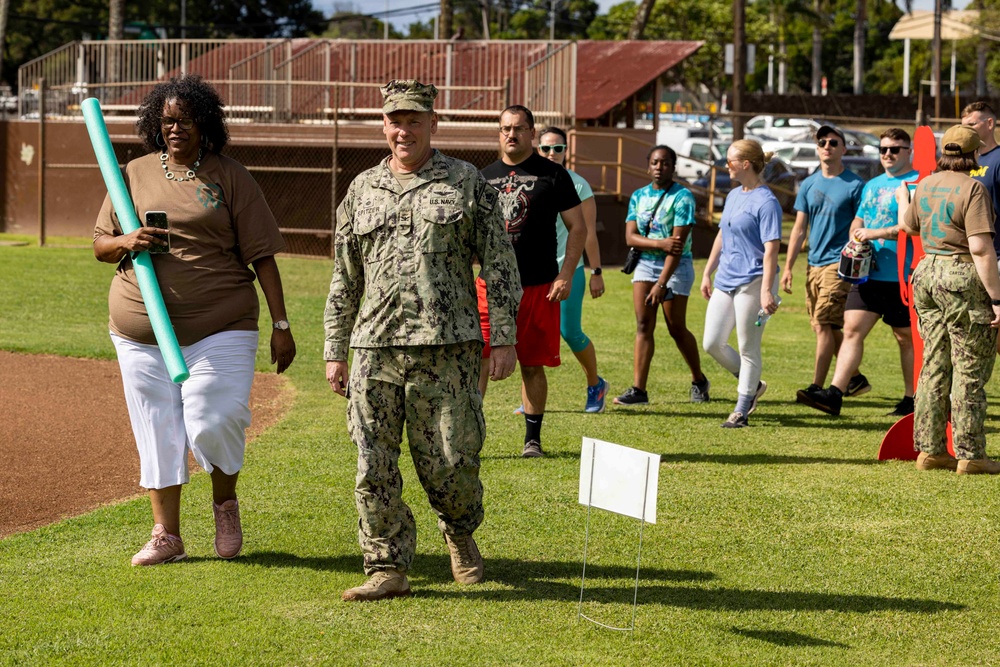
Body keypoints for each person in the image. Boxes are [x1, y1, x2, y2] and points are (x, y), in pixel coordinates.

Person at [324, 80, 521, 601]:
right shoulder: (361, 189)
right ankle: (385, 565)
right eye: (395, 120)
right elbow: (344, 277)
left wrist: (501, 337)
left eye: (414, 120)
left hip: (448, 349)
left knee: (453, 462)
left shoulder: (466, 183)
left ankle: (459, 530)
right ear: (384, 125)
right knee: (372, 461)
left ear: (433, 124)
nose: (403, 129)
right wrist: (334, 348)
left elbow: (499, 262)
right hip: (375, 348)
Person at [93, 75, 296, 566]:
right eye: (166, 120)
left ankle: (224, 504)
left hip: (220, 325)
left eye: (185, 120)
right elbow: (101, 244)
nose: (175, 128)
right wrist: (127, 242)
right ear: (154, 125)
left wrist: (281, 324)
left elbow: (263, 255)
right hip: (140, 331)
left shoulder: (229, 176)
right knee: (157, 428)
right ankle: (167, 535)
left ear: (205, 123)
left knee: (212, 418)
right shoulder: (132, 173)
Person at [479, 105, 587, 458]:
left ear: (532, 134)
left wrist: (566, 273)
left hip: (538, 284)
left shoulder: (554, 175)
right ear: (499, 132)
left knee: (532, 363)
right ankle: (470, 437)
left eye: (519, 128)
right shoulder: (482, 177)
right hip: (489, 287)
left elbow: (578, 228)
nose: (512, 134)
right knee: (476, 360)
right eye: (506, 128)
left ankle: (532, 440)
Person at [899, 124, 1000, 474]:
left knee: (934, 364)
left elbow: (909, 226)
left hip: (927, 274)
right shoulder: (973, 188)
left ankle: (930, 451)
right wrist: (997, 299)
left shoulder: (926, 183)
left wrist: (904, 201)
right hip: (962, 276)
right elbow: (980, 248)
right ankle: (971, 454)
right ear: (974, 155)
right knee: (970, 367)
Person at [798, 128, 918, 417]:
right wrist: (855, 235)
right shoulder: (873, 185)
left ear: (908, 151)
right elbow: (859, 219)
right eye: (883, 149)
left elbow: (910, 228)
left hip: (901, 276)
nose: (888, 154)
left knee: (905, 338)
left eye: (895, 149)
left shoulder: (917, 184)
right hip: (868, 275)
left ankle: (912, 398)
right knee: (851, 330)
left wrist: (872, 233)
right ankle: (835, 394)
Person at [501, 127, 609, 413]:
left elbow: (587, 233)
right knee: (527, 338)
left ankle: (595, 383)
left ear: (566, 151)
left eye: (558, 149)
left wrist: (596, 271)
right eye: (546, 148)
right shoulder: (530, 179)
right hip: (535, 275)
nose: (552, 154)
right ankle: (530, 403)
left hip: (567, 271)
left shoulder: (579, 184)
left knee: (570, 332)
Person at [614, 145, 709, 406]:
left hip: (675, 267)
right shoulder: (638, 196)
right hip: (645, 263)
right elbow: (629, 237)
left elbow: (676, 247)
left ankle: (699, 380)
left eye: (665, 163)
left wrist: (661, 283)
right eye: (655, 162)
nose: (660, 167)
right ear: (648, 166)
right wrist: (659, 244)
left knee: (676, 327)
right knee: (644, 325)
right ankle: (639, 391)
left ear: (673, 167)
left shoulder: (683, 197)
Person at [781, 126, 866, 404]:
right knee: (823, 327)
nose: (826, 146)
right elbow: (799, 229)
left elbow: (862, 223)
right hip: (813, 264)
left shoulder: (855, 185)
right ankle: (854, 377)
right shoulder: (808, 184)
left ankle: (817, 387)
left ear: (843, 149)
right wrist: (788, 267)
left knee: (824, 324)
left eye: (833, 142)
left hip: (839, 265)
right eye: (822, 142)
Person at [700, 139, 782, 428]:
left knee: (748, 347)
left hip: (754, 280)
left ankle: (741, 408)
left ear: (745, 164)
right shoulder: (734, 195)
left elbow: (771, 249)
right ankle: (754, 385)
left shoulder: (767, 202)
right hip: (726, 278)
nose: (726, 166)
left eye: (730, 161)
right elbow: (722, 236)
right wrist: (708, 272)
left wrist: (765, 290)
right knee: (711, 342)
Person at [962, 101, 1000, 354]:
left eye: (972, 124)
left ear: (989, 123)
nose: (966, 130)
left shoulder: (998, 159)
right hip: (968, 258)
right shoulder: (964, 162)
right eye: (963, 126)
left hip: (995, 255)